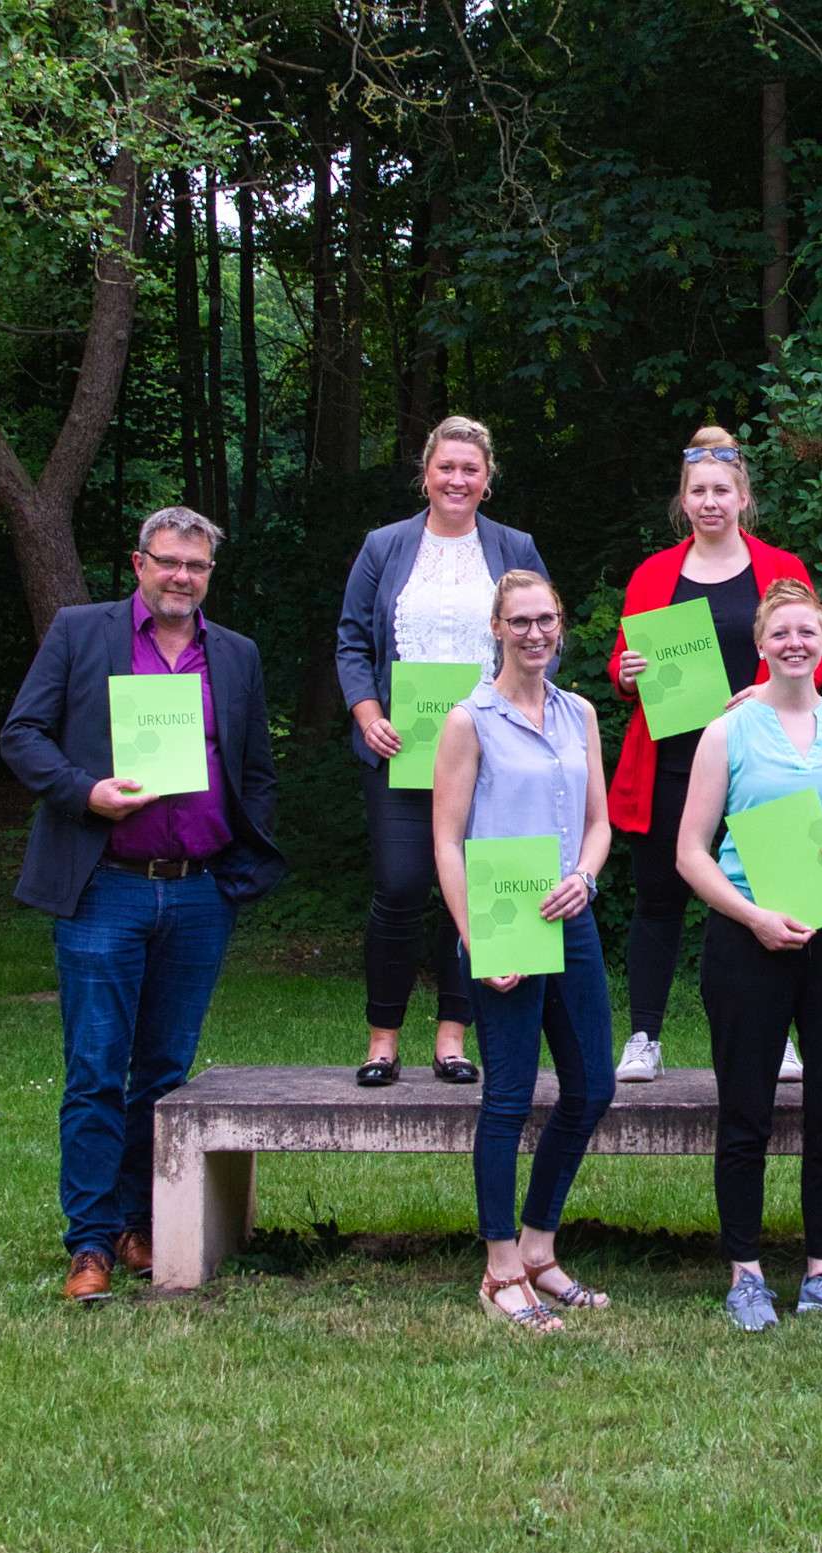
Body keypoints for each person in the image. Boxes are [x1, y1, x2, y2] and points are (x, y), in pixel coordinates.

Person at [0, 507, 286, 1303]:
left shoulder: (235, 654)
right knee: (96, 1068)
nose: (181, 577)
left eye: (196, 566)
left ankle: (136, 1223)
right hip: (106, 886)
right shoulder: (81, 633)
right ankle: (89, 1242)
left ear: (210, 574)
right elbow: (22, 735)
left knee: (161, 1073)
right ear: (139, 564)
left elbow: (255, 768)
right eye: (168, 562)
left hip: (199, 892)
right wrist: (84, 792)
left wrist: (236, 869)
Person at [673, 579, 822, 1332]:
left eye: (807, 632)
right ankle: (746, 1276)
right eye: (781, 633)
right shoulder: (726, 733)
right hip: (749, 939)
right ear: (760, 645)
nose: (795, 643)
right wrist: (754, 918)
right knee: (745, 1112)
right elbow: (689, 852)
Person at [606, 426, 822, 1086]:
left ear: (743, 497)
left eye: (722, 491)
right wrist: (626, 673)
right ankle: (644, 1036)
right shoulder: (653, 574)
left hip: (762, 759)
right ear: (683, 501)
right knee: (658, 902)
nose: (710, 502)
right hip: (672, 763)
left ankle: (779, 1036)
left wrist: (765, 690)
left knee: (775, 897)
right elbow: (624, 667)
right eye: (699, 491)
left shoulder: (781, 569)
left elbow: (817, 656)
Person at [335, 415, 551, 1090]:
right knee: (400, 888)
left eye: (470, 469)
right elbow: (351, 640)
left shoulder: (515, 547)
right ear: (426, 473)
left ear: (488, 480)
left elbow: (542, 637)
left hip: (491, 752)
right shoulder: (383, 546)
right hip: (402, 750)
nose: (457, 479)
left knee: (476, 892)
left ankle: (453, 1036)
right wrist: (368, 714)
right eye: (446, 467)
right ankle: (382, 1040)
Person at [431, 569, 617, 1332]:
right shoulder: (468, 720)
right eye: (520, 621)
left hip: (570, 916)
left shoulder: (579, 713)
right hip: (502, 921)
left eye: (545, 619)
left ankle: (540, 1246)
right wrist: (478, 938)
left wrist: (585, 877)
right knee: (508, 1097)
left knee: (593, 1087)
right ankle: (500, 1266)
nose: (534, 633)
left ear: (560, 624)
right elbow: (446, 840)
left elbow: (600, 823)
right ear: (497, 628)